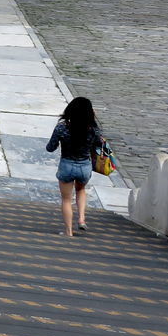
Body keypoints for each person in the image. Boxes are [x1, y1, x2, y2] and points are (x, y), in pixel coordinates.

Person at [46, 97, 104, 237]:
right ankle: (82, 219)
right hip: (85, 166)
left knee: (66, 199)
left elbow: (50, 148)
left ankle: (68, 232)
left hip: (67, 165)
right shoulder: (93, 129)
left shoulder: (62, 127)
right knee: (81, 190)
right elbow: (99, 145)